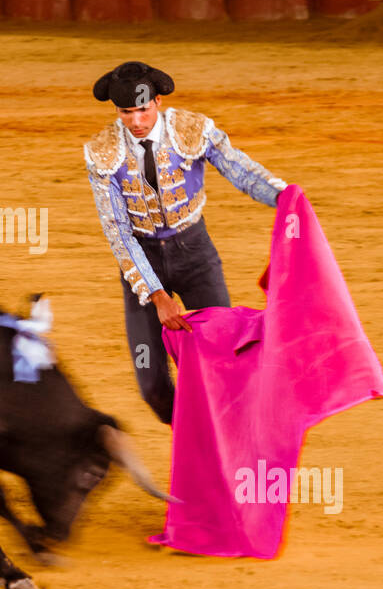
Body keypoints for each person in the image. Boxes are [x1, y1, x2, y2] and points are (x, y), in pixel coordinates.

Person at [84, 62, 287, 425]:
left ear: (158, 101)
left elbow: (238, 170)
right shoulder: (102, 152)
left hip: (194, 253)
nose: (135, 121)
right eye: (125, 112)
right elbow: (117, 230)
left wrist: (283, 196)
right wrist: (157, 295)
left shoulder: (191, 130)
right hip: (142, 262)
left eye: (142, 109)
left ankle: (227, 439)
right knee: (153, 387)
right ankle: (192, 437)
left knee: (224, 364)